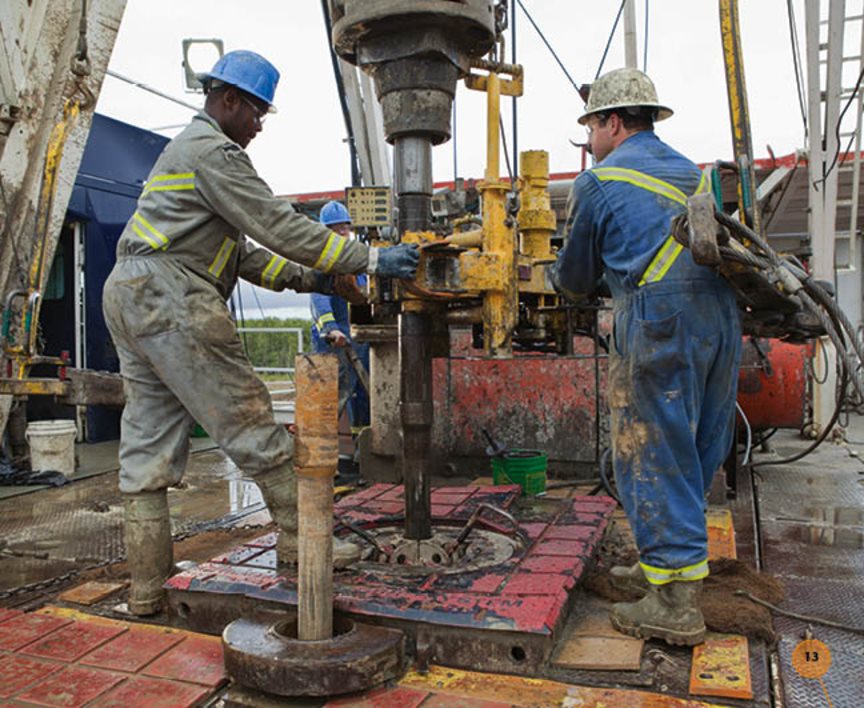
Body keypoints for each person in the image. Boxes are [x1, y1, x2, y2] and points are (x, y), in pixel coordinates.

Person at [102, 50, 419, 616]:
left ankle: (147, 592)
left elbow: (245, 257)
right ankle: (305, 543)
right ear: (228, 102)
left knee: (146, 450)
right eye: (257, 113)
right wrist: (368, 257)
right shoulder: (214, 152)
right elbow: (277, 225)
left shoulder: (189, 156)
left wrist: (317, 276)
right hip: (170, 293)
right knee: (249, 419)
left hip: (132, 291)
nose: (258, 126)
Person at [550, 67, 742, 646]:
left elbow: (577, 277)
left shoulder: (598, 183)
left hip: (659, 321)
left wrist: (558, 280)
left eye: (591, 128)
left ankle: (676, 604)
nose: (589, 141)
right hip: (721, 319)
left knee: (653, 454)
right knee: (697, 448)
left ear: (612, 121)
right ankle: (664, 567)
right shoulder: (694, 174)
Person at [310, 201, 370, 434]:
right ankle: (316, 450)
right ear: (325, 231)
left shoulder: (354, 259)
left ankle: (361, 448)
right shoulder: (321, 260)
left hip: (356, 336)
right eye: (336, 229)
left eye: (345, 228)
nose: (342, 233)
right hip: (332, 339)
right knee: (330, 395)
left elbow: (365, 292)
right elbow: (319, 297)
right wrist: (331, 329)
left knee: (361, 394)